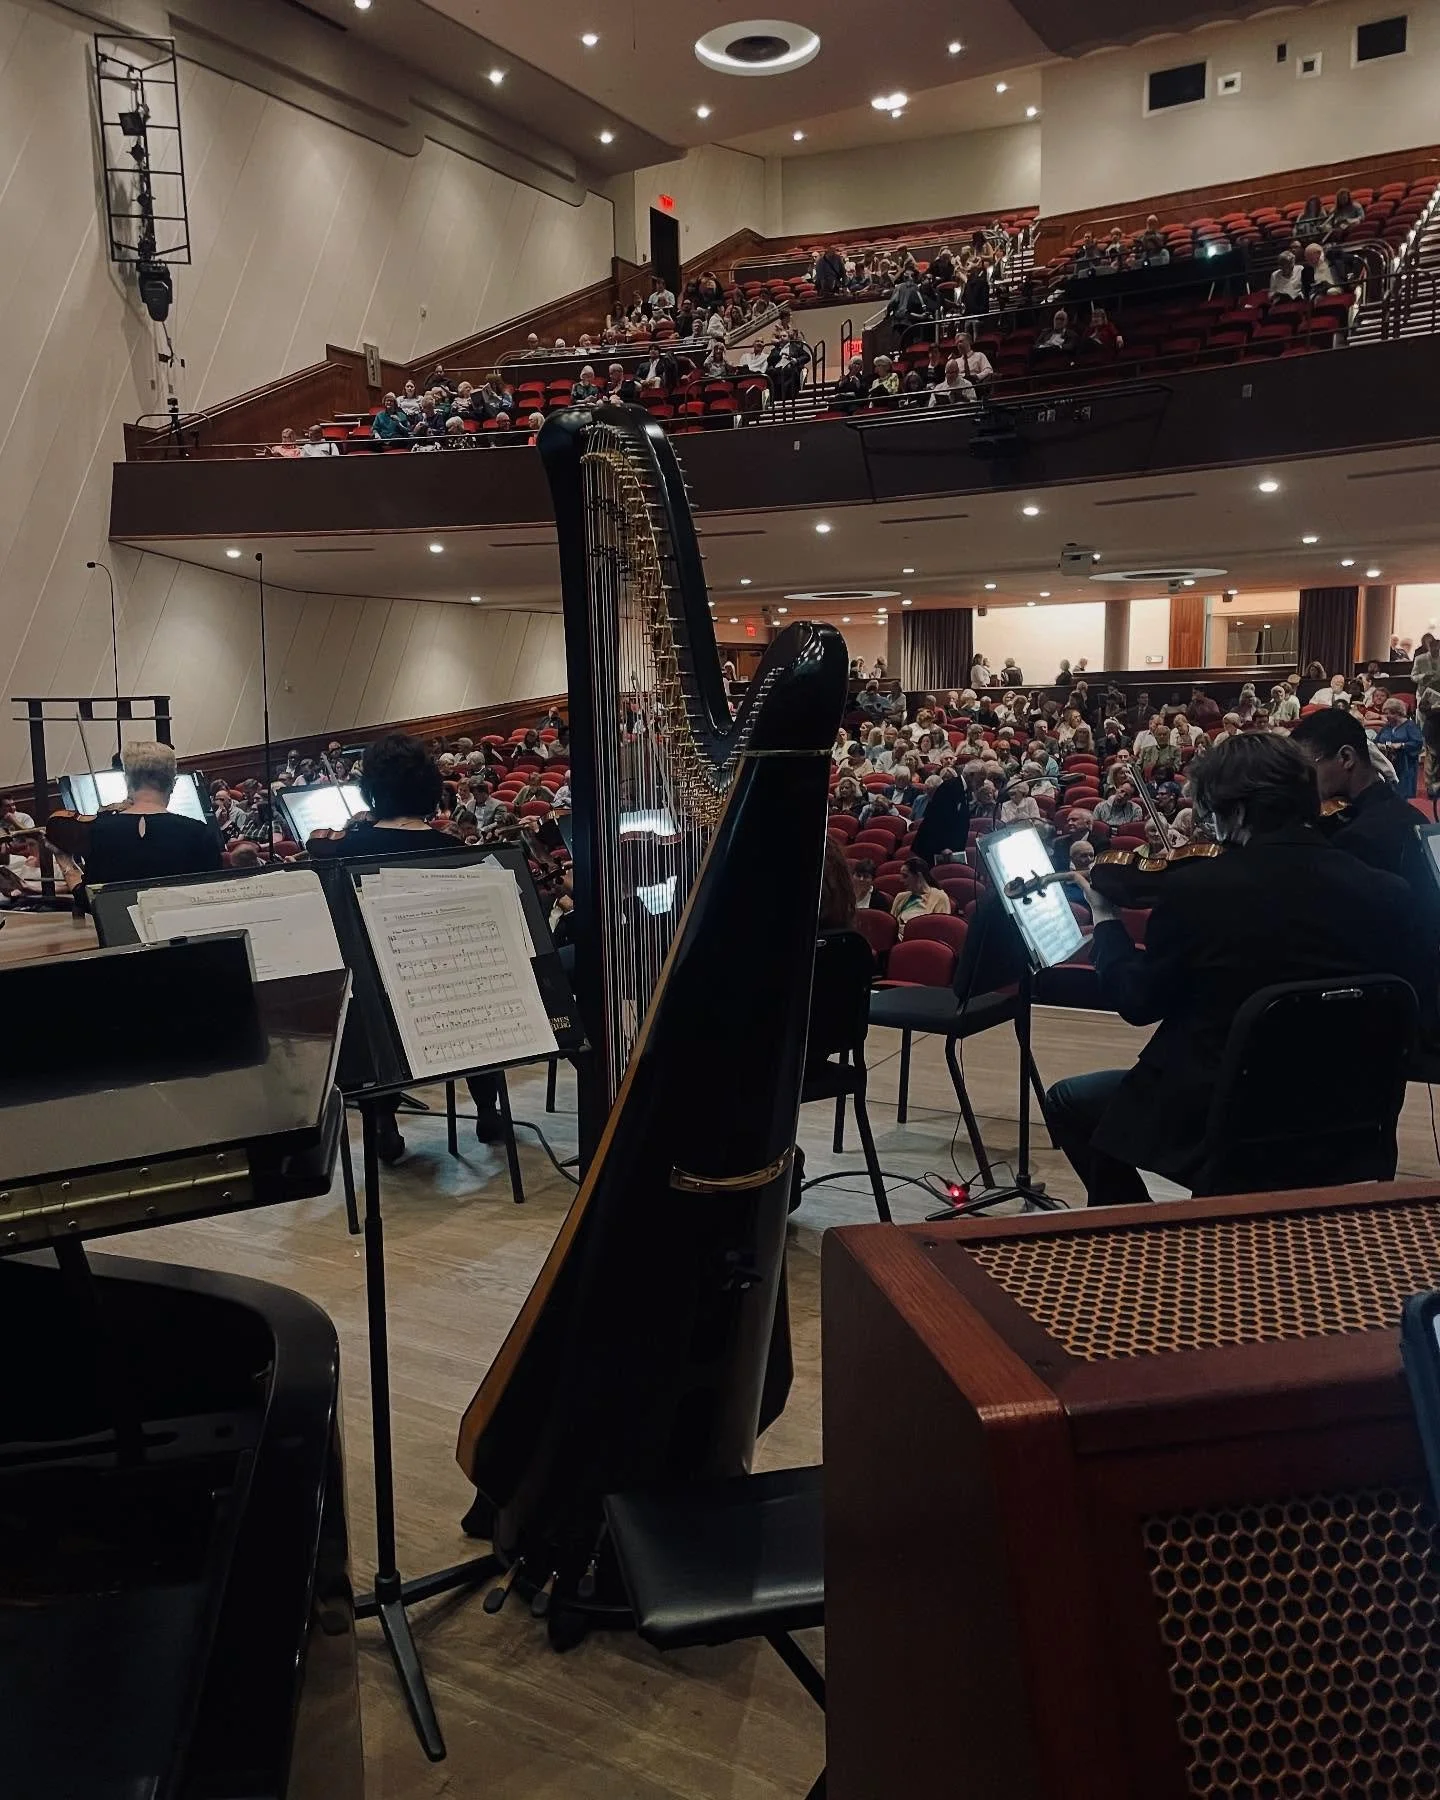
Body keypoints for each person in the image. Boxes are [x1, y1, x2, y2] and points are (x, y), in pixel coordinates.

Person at [1043, 733, 1418, 1206]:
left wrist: (1106, 920)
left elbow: (1136, 1002)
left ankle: (1132, 1235)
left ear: (1237, 812)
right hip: (1348, 1115)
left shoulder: (1198, 891)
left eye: (1211, 813)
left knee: (1070, 1102)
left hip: (1230, 1115)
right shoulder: (1390, 892)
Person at [332, 733, 508, 1161]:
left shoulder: (344, 853)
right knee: (475, 992)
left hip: (382, 997)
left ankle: (383, 1124)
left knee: (369, 1004)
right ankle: (488, 1110)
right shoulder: (449, 849)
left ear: (371, 789)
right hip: (452, 993)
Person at [81, 740, 223, 886]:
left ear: (127, 781)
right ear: (173, 784)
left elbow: (89, 899)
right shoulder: (199, 832)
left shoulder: (100, 831)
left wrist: (65, 863)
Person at [911, 774, 969, 866]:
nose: (928, 794)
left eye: (932, 791)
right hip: (928, 848)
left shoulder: (947, 798)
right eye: (927, 790)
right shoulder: (924, 800)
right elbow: (933, 826)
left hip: (940, 848)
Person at [1375, 698, 1425, 799]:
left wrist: (1402, 745)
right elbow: (1377, 741)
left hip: (1404, 764)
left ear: (1396, 713)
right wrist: (1379, 745)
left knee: (1401, 794)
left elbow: (1417, 742)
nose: (1385, 717)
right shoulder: (1387, 727)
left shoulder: (1409, 726)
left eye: (1388, 714)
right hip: (1388, 763)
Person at [890, 857, 952, 935]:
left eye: (905, 876)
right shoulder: (900, 897)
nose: (901, 880)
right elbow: (890, 927)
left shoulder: (940, 897)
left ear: (919, 876)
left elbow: (940, 930)